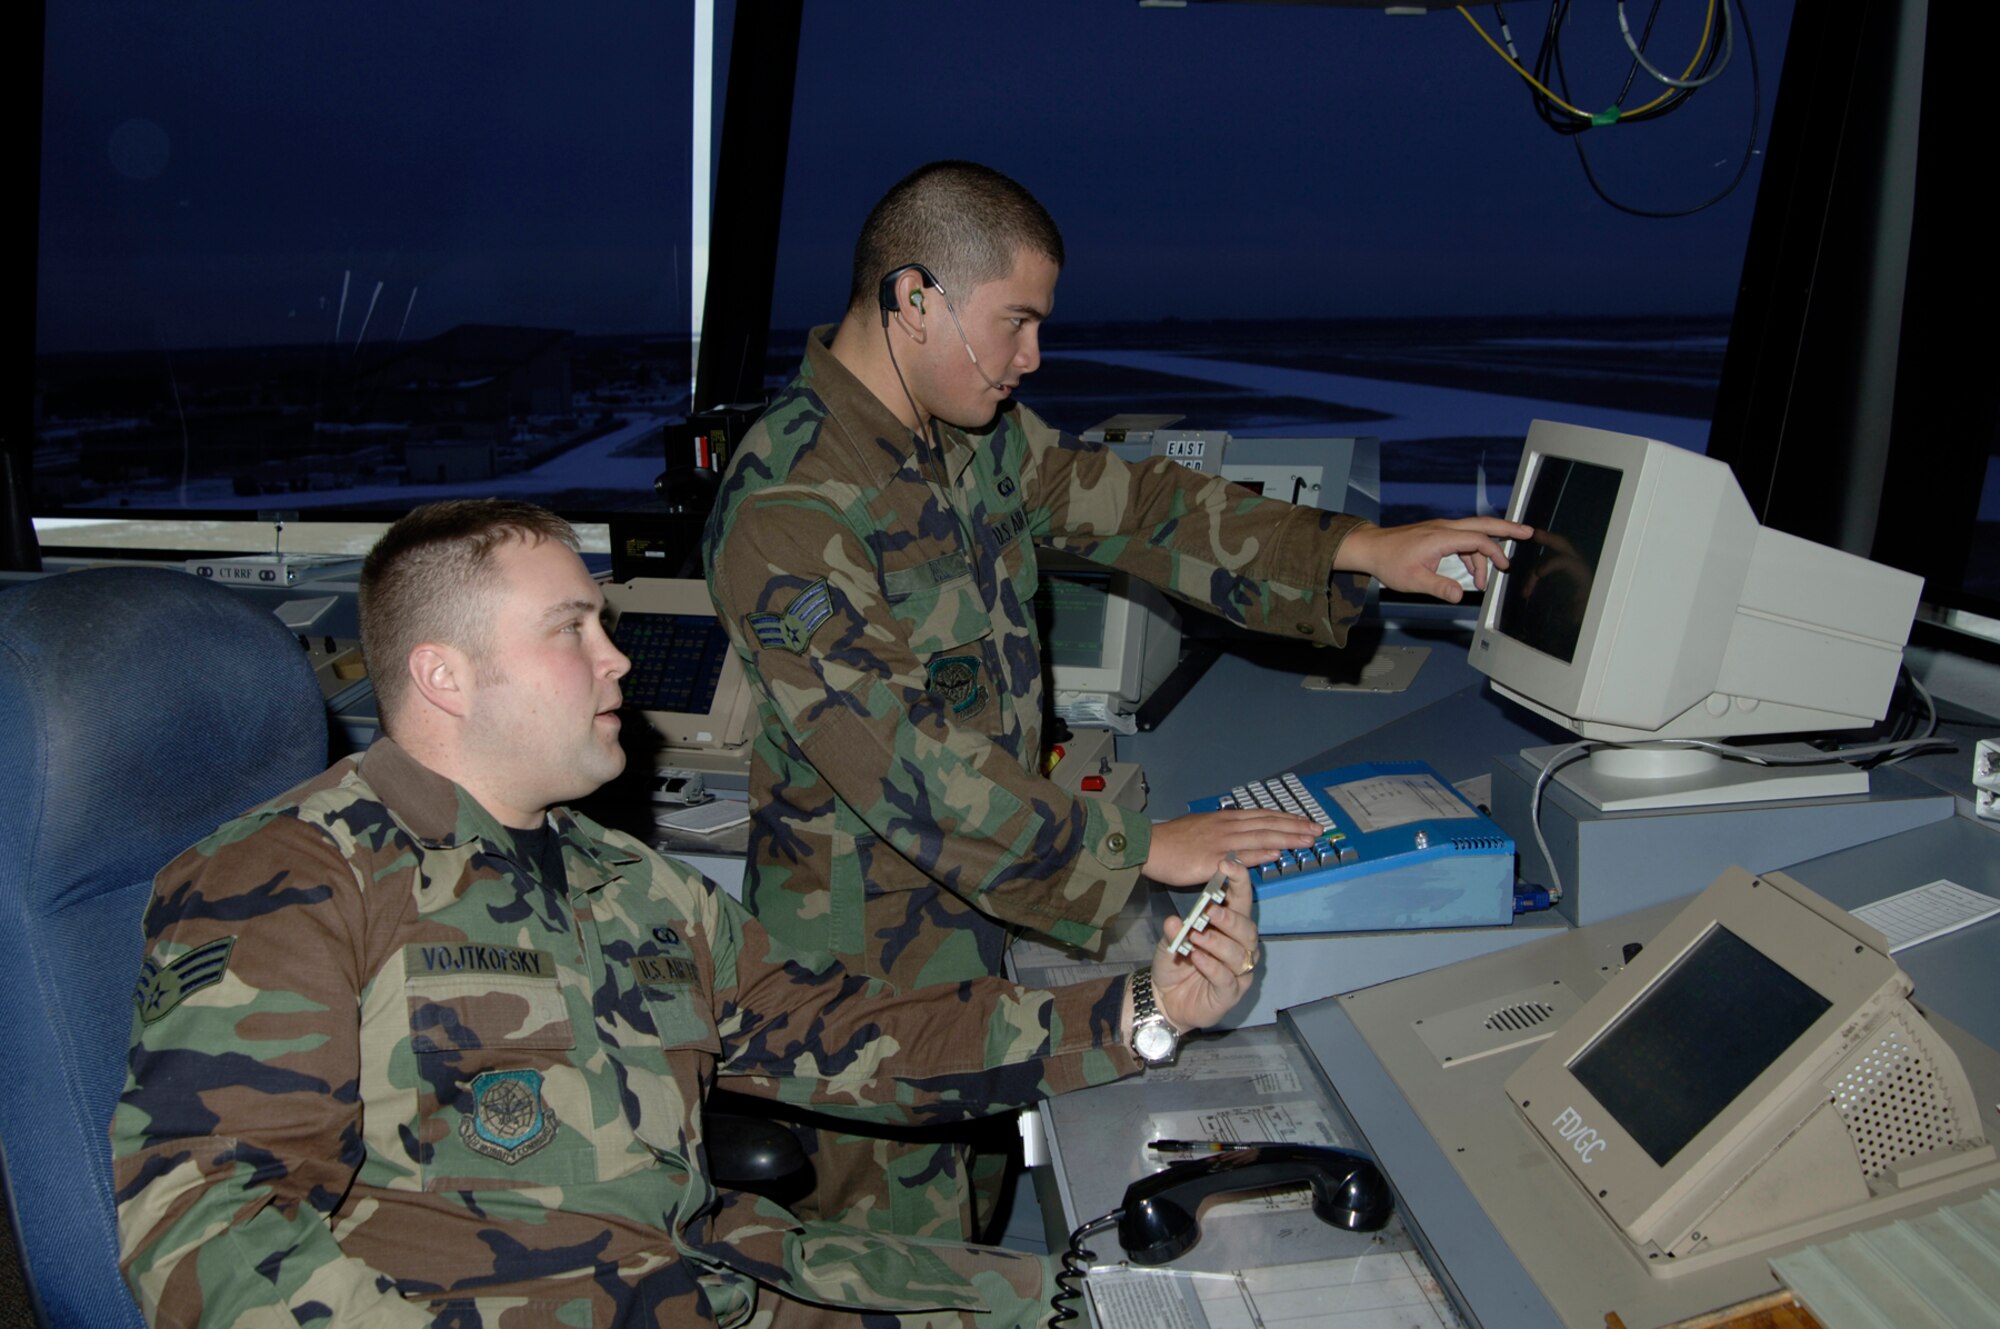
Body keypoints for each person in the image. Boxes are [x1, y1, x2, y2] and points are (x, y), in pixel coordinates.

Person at [110, 499, 1261, 1328]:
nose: (618, 662)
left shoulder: (630, 884)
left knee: (1136, 1303)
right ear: (444, 676)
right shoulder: (290, 882)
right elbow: (207, 1241)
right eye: (572, 630)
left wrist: (1148, 1004)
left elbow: (854, 1037)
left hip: (719, 1278)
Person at [702, 160, 1529, 1241]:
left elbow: (1138, 506)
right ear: (915, 300)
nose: (1030, 358)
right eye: (1014, 323)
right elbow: (906, 770)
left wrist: (1361, 548)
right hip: (867, 964)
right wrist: (1139, 845)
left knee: (979, 1213)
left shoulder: (966, 441)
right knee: (904, 1264)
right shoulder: (791, 503)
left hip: (974, 919)